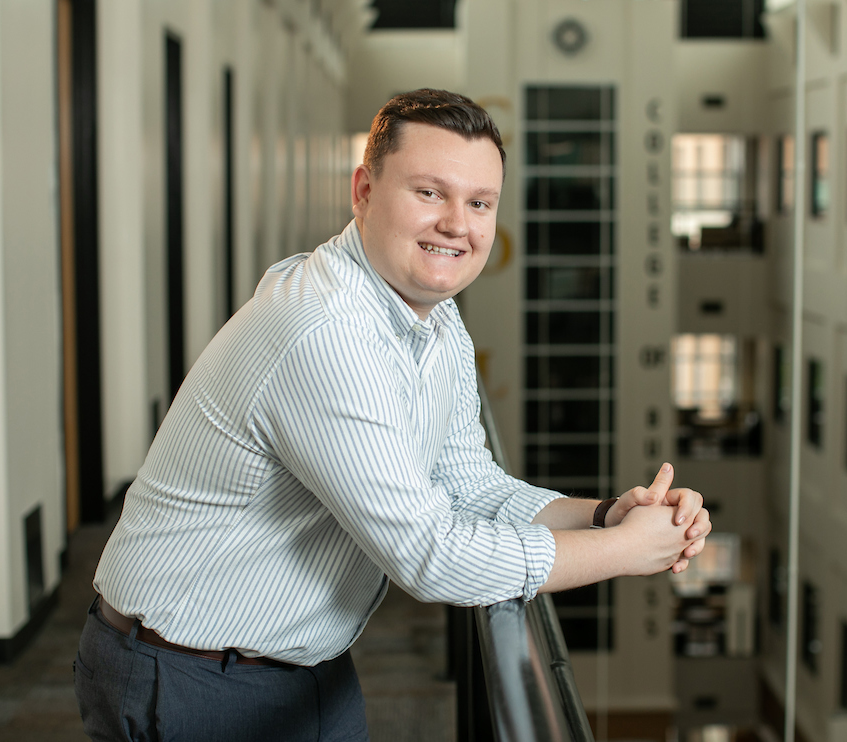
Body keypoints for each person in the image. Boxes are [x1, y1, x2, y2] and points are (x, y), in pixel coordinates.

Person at [73, 88, 711, 742]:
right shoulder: (325, 331)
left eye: (479, 203)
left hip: (305, 663)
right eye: (429, 193)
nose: (457, 224)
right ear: (364, 191)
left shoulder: (431, 320)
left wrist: (607, 513)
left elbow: (469, 482)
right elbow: (428, 554)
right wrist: (622, 552)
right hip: (189, 678)